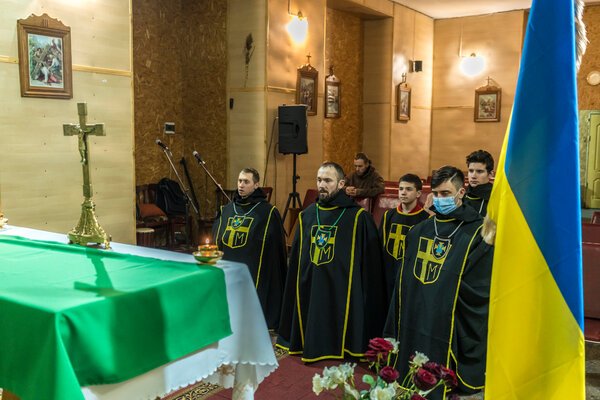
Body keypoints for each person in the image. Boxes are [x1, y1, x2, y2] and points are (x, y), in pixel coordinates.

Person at [383, 166, 493, 400]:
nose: (440, 199)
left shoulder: (476, 232)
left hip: (446, 314)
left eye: (446, 193)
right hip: (417, 309)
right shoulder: (419, 230)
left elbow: (479, 284)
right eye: (436, 194)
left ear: (461, 192)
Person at [277, 162, 387, 361]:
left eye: (328, 180)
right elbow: (297, 262)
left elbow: (371, 270)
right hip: (311, 284)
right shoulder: (307, 216)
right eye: (319, 180)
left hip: (344, 288)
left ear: (341, 183)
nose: (322, 185)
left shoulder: (358, 218)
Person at [213, 168, 287, 331]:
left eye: (246, 182)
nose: (241, 185)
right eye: (239, 181)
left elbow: (276, 252)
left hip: (254, 268)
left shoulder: (268, 212)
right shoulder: (227, 209)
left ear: (256, 185)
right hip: (230, 264)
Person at [378, 174, 430, 296]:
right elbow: (381, 247)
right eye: (401, 189)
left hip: (410, 274)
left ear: (418, 193)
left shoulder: (425, 219)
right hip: (388, 272)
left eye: (408, 189)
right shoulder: (388, 216)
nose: (403, 193)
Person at [464, 150, 494, 216]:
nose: (473, 176)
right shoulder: (460, 195)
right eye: (471, 171)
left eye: (479, 171)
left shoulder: (496, 198)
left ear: (490, 174)